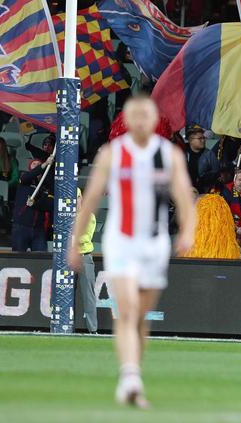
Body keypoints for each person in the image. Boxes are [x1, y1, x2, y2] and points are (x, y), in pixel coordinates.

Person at [68, 95, 196, 408]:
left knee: (141, 316)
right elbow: (92, 197)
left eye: (146, 115)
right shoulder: (114, 153)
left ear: (154, 120)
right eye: (134, 115)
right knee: (125, 310)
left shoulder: (169, 155)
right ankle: (130, 379)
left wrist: (188, 231)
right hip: (121, 239)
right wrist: (74, 241)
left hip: (154, 242)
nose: (140, 120)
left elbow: (184, 196)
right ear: (126, 120)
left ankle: (133, 372)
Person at [11, 157, 54, 252]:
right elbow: (28, 176)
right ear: (30, 167)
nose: (37, 166)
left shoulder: (47, 186)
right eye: (34, 164)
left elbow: (50, 205)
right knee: (17, 259)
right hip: (21, 227)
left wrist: (36, 204)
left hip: (39, 229)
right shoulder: (24, 180)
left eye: (39, 164)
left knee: (40, 259)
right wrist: (44, 164)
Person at [76, 188, 98, 334]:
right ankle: (62, 325)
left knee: (88, 294)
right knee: (61, 292)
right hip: (66, 258)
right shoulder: (63, 216)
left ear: (81, 199)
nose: (75, 201)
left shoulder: (88, 216)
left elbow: (84, 238)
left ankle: (93, 329)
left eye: (77, 197)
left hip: (83, 257)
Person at [184, 124, 219, 192]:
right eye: (200, 138)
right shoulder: (183, 152)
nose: (203, 140)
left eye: (204, 138)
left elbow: (216, 172)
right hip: (185, 192)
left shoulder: (209, 154)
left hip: (204, 192)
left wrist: (206, 178)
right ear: (191, 140)